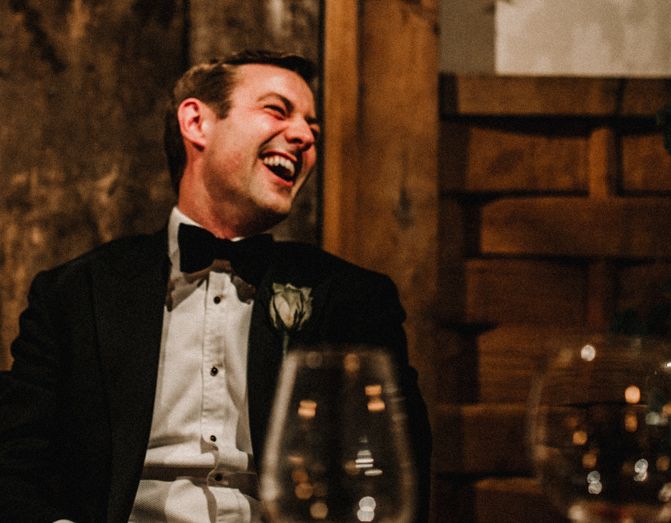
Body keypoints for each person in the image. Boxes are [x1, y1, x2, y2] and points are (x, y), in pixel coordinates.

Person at [0, 50, 431, 522]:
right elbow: (16, 462)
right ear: (196, 122)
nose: (305, 136)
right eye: (277, 109)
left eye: (312, 128)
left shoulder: (352, 298)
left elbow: (391, 468)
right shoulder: (76, 293)